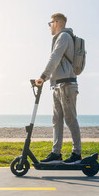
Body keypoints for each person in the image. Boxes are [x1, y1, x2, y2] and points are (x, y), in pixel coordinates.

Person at [35, 13, 81, 164]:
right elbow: (56, 63)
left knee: (70, 119)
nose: (49, 27)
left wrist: (43, 75)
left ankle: (76, 153)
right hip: (57, 85)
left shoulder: (64, 37)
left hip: (67, 85)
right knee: (57, 120)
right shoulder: (61, 38)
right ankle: (56, 153)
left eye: (50, 24)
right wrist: (46, 79)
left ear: (56, 23)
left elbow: (54, 57)